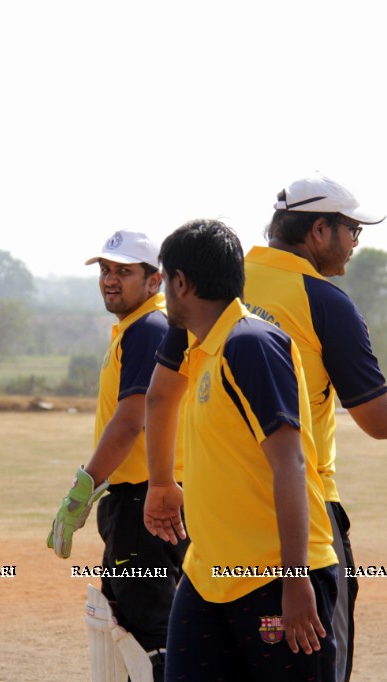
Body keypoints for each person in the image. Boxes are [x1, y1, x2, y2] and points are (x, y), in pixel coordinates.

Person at [144, 171, 387, 682]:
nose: (355, 243)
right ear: (319, 231)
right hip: (296, 521)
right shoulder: (314, 301)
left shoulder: (218, 285)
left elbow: (160, 393)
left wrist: (160, 481)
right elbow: (380, 419)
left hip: (217, 530)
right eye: (352, 231)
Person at [150, 218, 339, 680]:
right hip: (206, 577)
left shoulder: (250, 344)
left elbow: (291, 463)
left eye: (165, 281)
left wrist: (296, 580)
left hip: (274, 580)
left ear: (180, 283)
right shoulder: (201, 351)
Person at [46, 230, 185, 682]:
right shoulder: (137, 327)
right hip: (140, 499)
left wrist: (81, 491)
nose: (110, 280)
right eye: (105, 270)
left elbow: (130, 422)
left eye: (124, 271)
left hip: (143, 502)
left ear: (154, 280)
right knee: (138, 624)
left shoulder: (149, 328)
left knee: (147, 634)